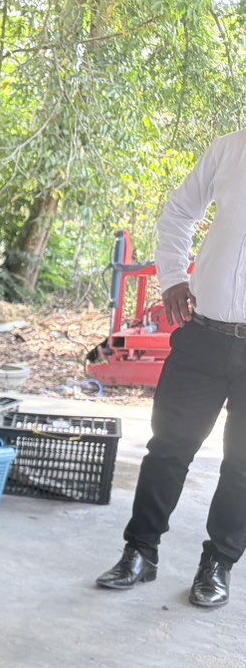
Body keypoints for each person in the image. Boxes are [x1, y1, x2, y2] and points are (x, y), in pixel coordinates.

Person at [96, 130, 246, 608]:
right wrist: (174, 278)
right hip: (203, 335)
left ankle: (218, 564)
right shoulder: (230, 148)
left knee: (243, 464)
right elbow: (180, 212)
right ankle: (140, 551)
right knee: (167, 450)